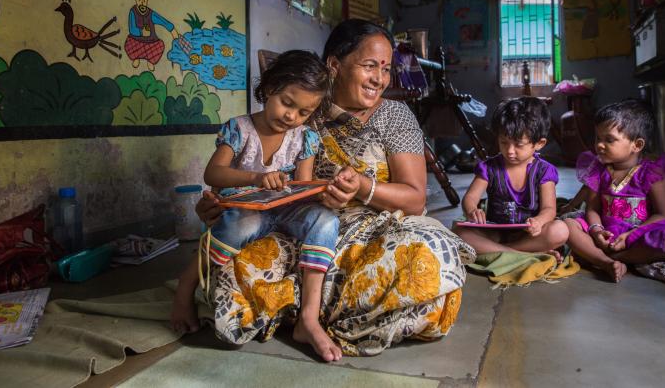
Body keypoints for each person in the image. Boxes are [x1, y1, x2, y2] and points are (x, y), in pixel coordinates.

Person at [194, 19, 476, 357]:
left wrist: (362, 188)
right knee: (232, 269)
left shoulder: (395, 116)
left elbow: (415, 200)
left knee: (427, 255)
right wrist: (220, 206)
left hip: (374, 234)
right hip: (302, 231)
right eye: (369, 66)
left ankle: (302, 311)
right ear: (334, 65)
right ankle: (321, 309)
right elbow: (254, 177)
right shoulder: (302, 113)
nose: (379, 79)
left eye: (385, 69)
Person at [171, 50, 343, 361]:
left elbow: (302, 187)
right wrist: (256, 177)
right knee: (244, 224)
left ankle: (308, 318)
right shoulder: (239, 129)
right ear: (268, 88)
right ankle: (187, 284)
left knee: (326, 221)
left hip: (285, 209)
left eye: (304, 112)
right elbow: (213, 173)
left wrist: (321, 191)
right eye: (287, 103)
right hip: (246, 210)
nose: (292, 116)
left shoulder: (304, 138)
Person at [564, 99, 665, 283]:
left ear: (637, 145)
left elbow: (663, 214)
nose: (599, 145)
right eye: (597, 138)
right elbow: (592, 209)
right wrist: (596, 231)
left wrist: (630, 236)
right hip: (604, 232)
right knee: (569, 226)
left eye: (609, 140)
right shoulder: (598, 170)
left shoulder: (653, 172)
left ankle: (615, 258)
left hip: (638, 233)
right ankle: (604, 260)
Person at [453, 97, 569, 259]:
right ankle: (523, 254)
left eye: (519, 145)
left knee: (560, 230)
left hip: (528, 235)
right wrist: (472, 210)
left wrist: (539, 222)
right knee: (458, 233)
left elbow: (549, 209)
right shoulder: (489, 167)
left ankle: (497, 250)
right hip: (495, 232)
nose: (510, 151)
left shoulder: (544, 171)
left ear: (539, 143)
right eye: (504, 142)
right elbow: (470, 197)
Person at [124, 0, 181, 71]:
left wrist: (172, 31)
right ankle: (136, 58)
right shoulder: (133, 11)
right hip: (136, 41)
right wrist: (141, 32)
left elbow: (163, 22)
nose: (142, 2)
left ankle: (150, 61)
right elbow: (132, 28)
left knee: (160, 45)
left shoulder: (151, 14)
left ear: (147, 0)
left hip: (151, 42)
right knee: (128, 44)